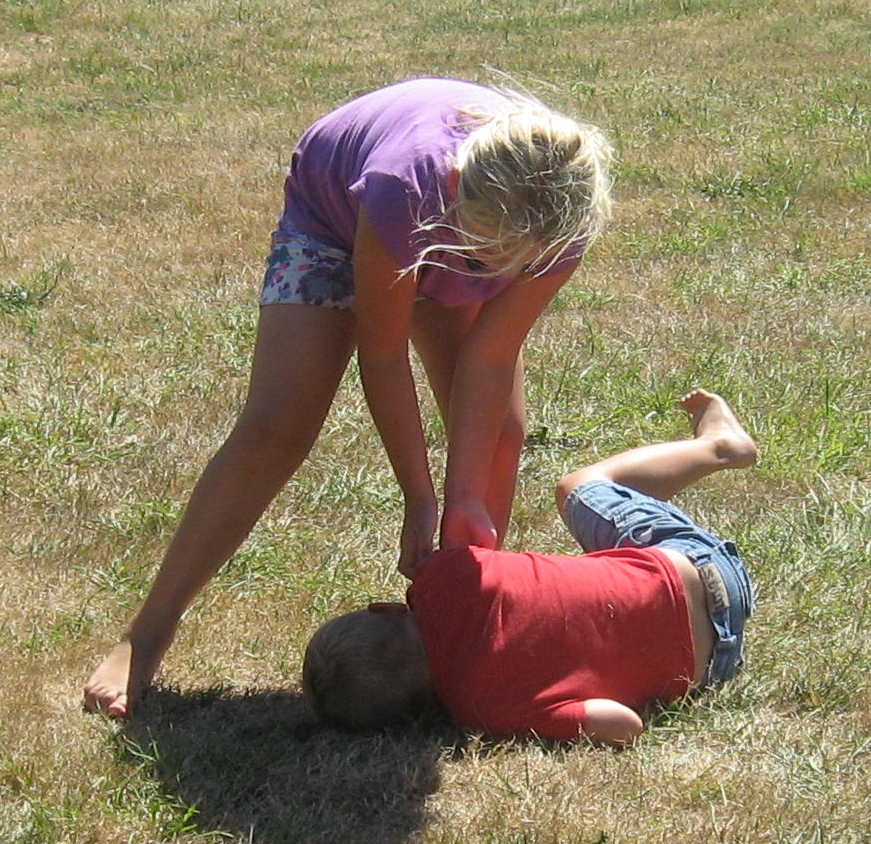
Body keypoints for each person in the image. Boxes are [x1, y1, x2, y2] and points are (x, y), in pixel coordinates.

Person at [84, 77, 613, 717]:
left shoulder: (561, 217)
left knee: (500, 434)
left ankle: (452, 633)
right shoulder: (402, 188)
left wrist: (465, 497)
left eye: (508, 266)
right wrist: (419, 497)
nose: (488, 275)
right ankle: (148, 632)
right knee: (278, 424)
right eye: (479, 260)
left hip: (456, 226)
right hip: (336, 221)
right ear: (454, 189)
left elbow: (491, 358)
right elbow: (383, 354)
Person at [303, 389, 757, 746]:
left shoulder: (485, 712)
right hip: (698, 566)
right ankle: (720, 446)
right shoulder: (444, 579)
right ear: (385, 608)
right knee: (578, 487)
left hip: (712, 665)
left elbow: (622, 724)